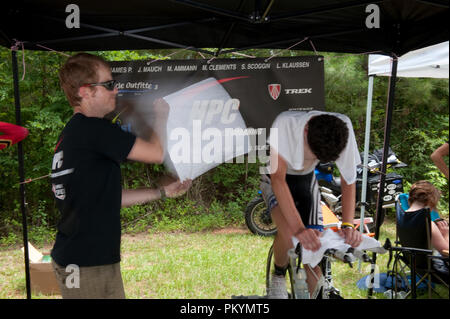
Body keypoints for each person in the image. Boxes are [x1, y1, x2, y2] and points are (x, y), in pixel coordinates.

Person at [50, 53, 191, 299]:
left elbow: (106, 198)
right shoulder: (95, 130)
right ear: (86, 92)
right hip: (88, 265)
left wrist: (161, 192)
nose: (115, 90)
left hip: (82, 260)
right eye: (108, 85)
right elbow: (157, 153)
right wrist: (162, 116)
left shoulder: (73, 133)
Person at [261, 110, 363, 299]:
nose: (313, 159)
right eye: (312, 154)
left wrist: (348, 225)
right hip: (274, 176)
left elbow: (349, 180)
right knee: (289, 233)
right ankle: (278, 275)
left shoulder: (343, 129)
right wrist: (299, 229)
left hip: (306, 179)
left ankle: (319, 293)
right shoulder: (285, 124)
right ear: (306, 131)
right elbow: (278, 180)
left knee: (313, 243)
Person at [406, 180, 448, 255]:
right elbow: (446, 253)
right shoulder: (428, 224)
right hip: (436, 264)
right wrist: (446, 234)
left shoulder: (403, 216)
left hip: (414, 262)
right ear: (431, 200)